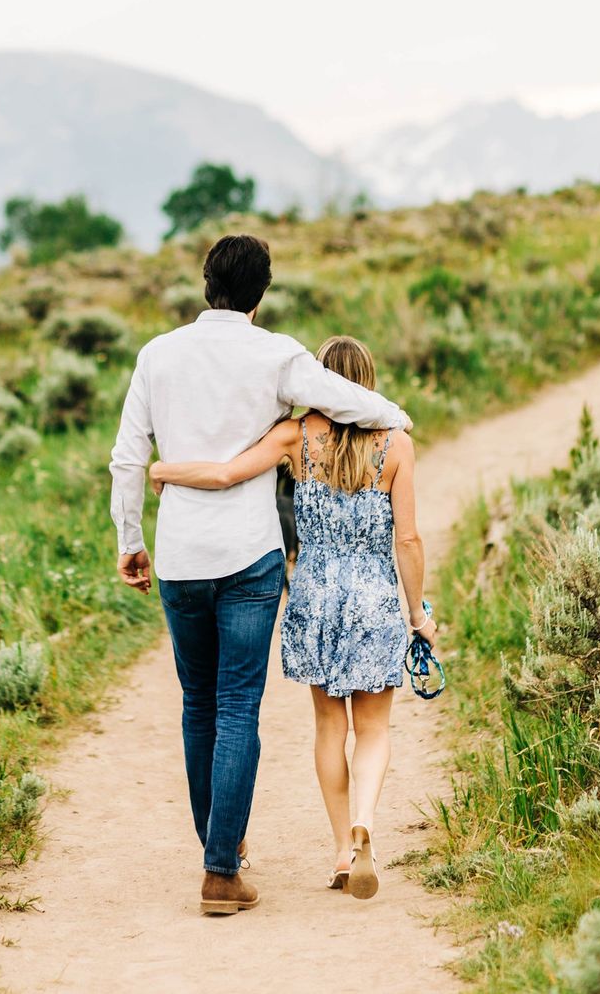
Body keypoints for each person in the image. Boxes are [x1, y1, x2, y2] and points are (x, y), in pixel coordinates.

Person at [109, 235, 413, 915]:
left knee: (196, 703)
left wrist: (131, 539)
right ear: (261, 291)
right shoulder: (276, 354)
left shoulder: (157, 355)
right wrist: (396, 416)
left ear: (206, 282)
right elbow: (349, 401)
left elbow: (127, 459)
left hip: (181, 553)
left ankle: (225, 850)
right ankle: (222, 867)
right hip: (249, 557)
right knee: (237, 705)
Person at [148, 335, 437, 901]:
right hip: (374, 595)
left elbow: (226, 474)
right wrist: (416, 613)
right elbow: (408, 537)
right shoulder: (396, 444)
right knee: (374, 728)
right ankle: (365, 828)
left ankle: (338, 850)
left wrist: (166, 468)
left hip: (314, 595)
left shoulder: (295, 436)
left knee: (330, 727)